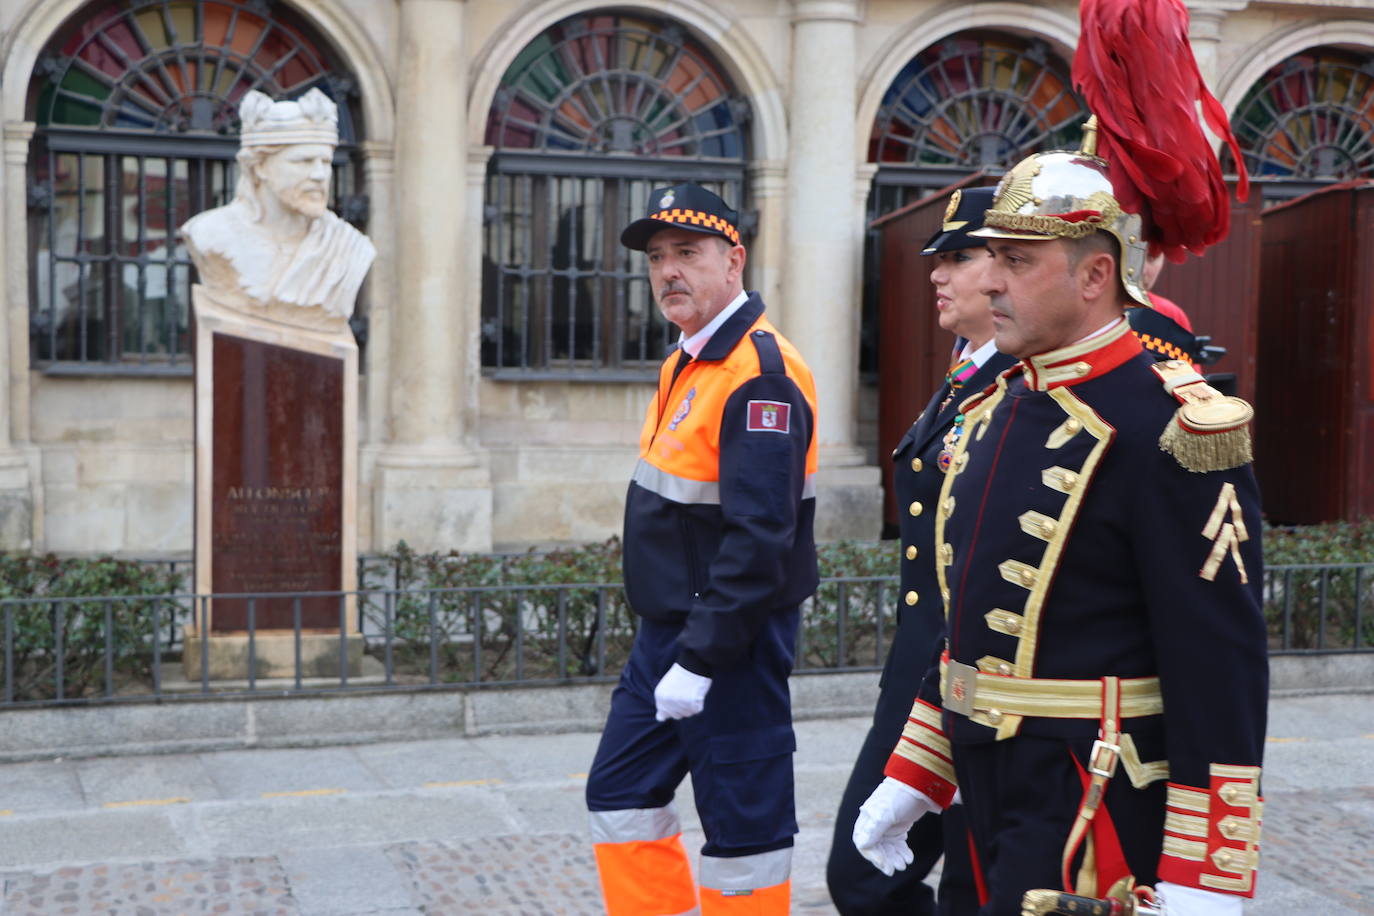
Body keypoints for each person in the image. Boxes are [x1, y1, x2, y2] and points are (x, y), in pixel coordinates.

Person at [851, 1, 1269, 910]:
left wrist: (1210, 871)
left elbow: (1220, 666)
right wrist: (919, 769)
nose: (990, 278)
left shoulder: (1172, 423)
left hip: (1098, 804)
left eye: (1017, 259)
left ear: (1092, 275)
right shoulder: (1001, 399)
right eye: (989, 257)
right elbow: (970, 614)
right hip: (991, 782)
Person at [585, 182, 819, 916]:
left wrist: (701, 656)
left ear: (734, 260)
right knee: (619, 794)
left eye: (687, 252)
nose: (668, 271)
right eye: (657, 257)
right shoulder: (688, 358)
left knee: (743, 830)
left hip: (728, 641)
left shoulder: (759, 375)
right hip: (672, 632)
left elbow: (760, 537)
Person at [827, 186, 1015, 916]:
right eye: (938, 258)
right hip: (922, 677)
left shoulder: (1017, 386)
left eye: (959, 257)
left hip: (968, 681)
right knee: (875, 873)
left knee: (911, 880)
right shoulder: (968, 372)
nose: (937, 273)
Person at [181, 88, 374, 323]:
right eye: (303, 161)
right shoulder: (209, 233)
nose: (319, 174)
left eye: (325, 162)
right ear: (260, 167)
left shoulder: (347, 245)